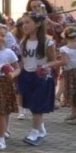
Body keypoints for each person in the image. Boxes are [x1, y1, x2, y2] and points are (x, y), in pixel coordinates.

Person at [14, 13, 58, 145]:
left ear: (38, 24)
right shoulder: (24, 41)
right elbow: (23, 61)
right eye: (23, 23)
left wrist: (44, 66)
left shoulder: (47, 42)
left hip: (41, 77)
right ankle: (41, 128)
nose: (24, 26)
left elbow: (53, 61)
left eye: (28, 22)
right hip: (27, 75)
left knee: (38, 105)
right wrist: (15, 71)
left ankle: (34, 132)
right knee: (31, 105)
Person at [0, 22, 21, 150]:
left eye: (2, 35)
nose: (0, 38)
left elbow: (18, 68)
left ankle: (1, 139)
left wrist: (12, 74)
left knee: (1, 112)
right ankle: (3, 130)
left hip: (3, 83)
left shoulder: (9, 53)